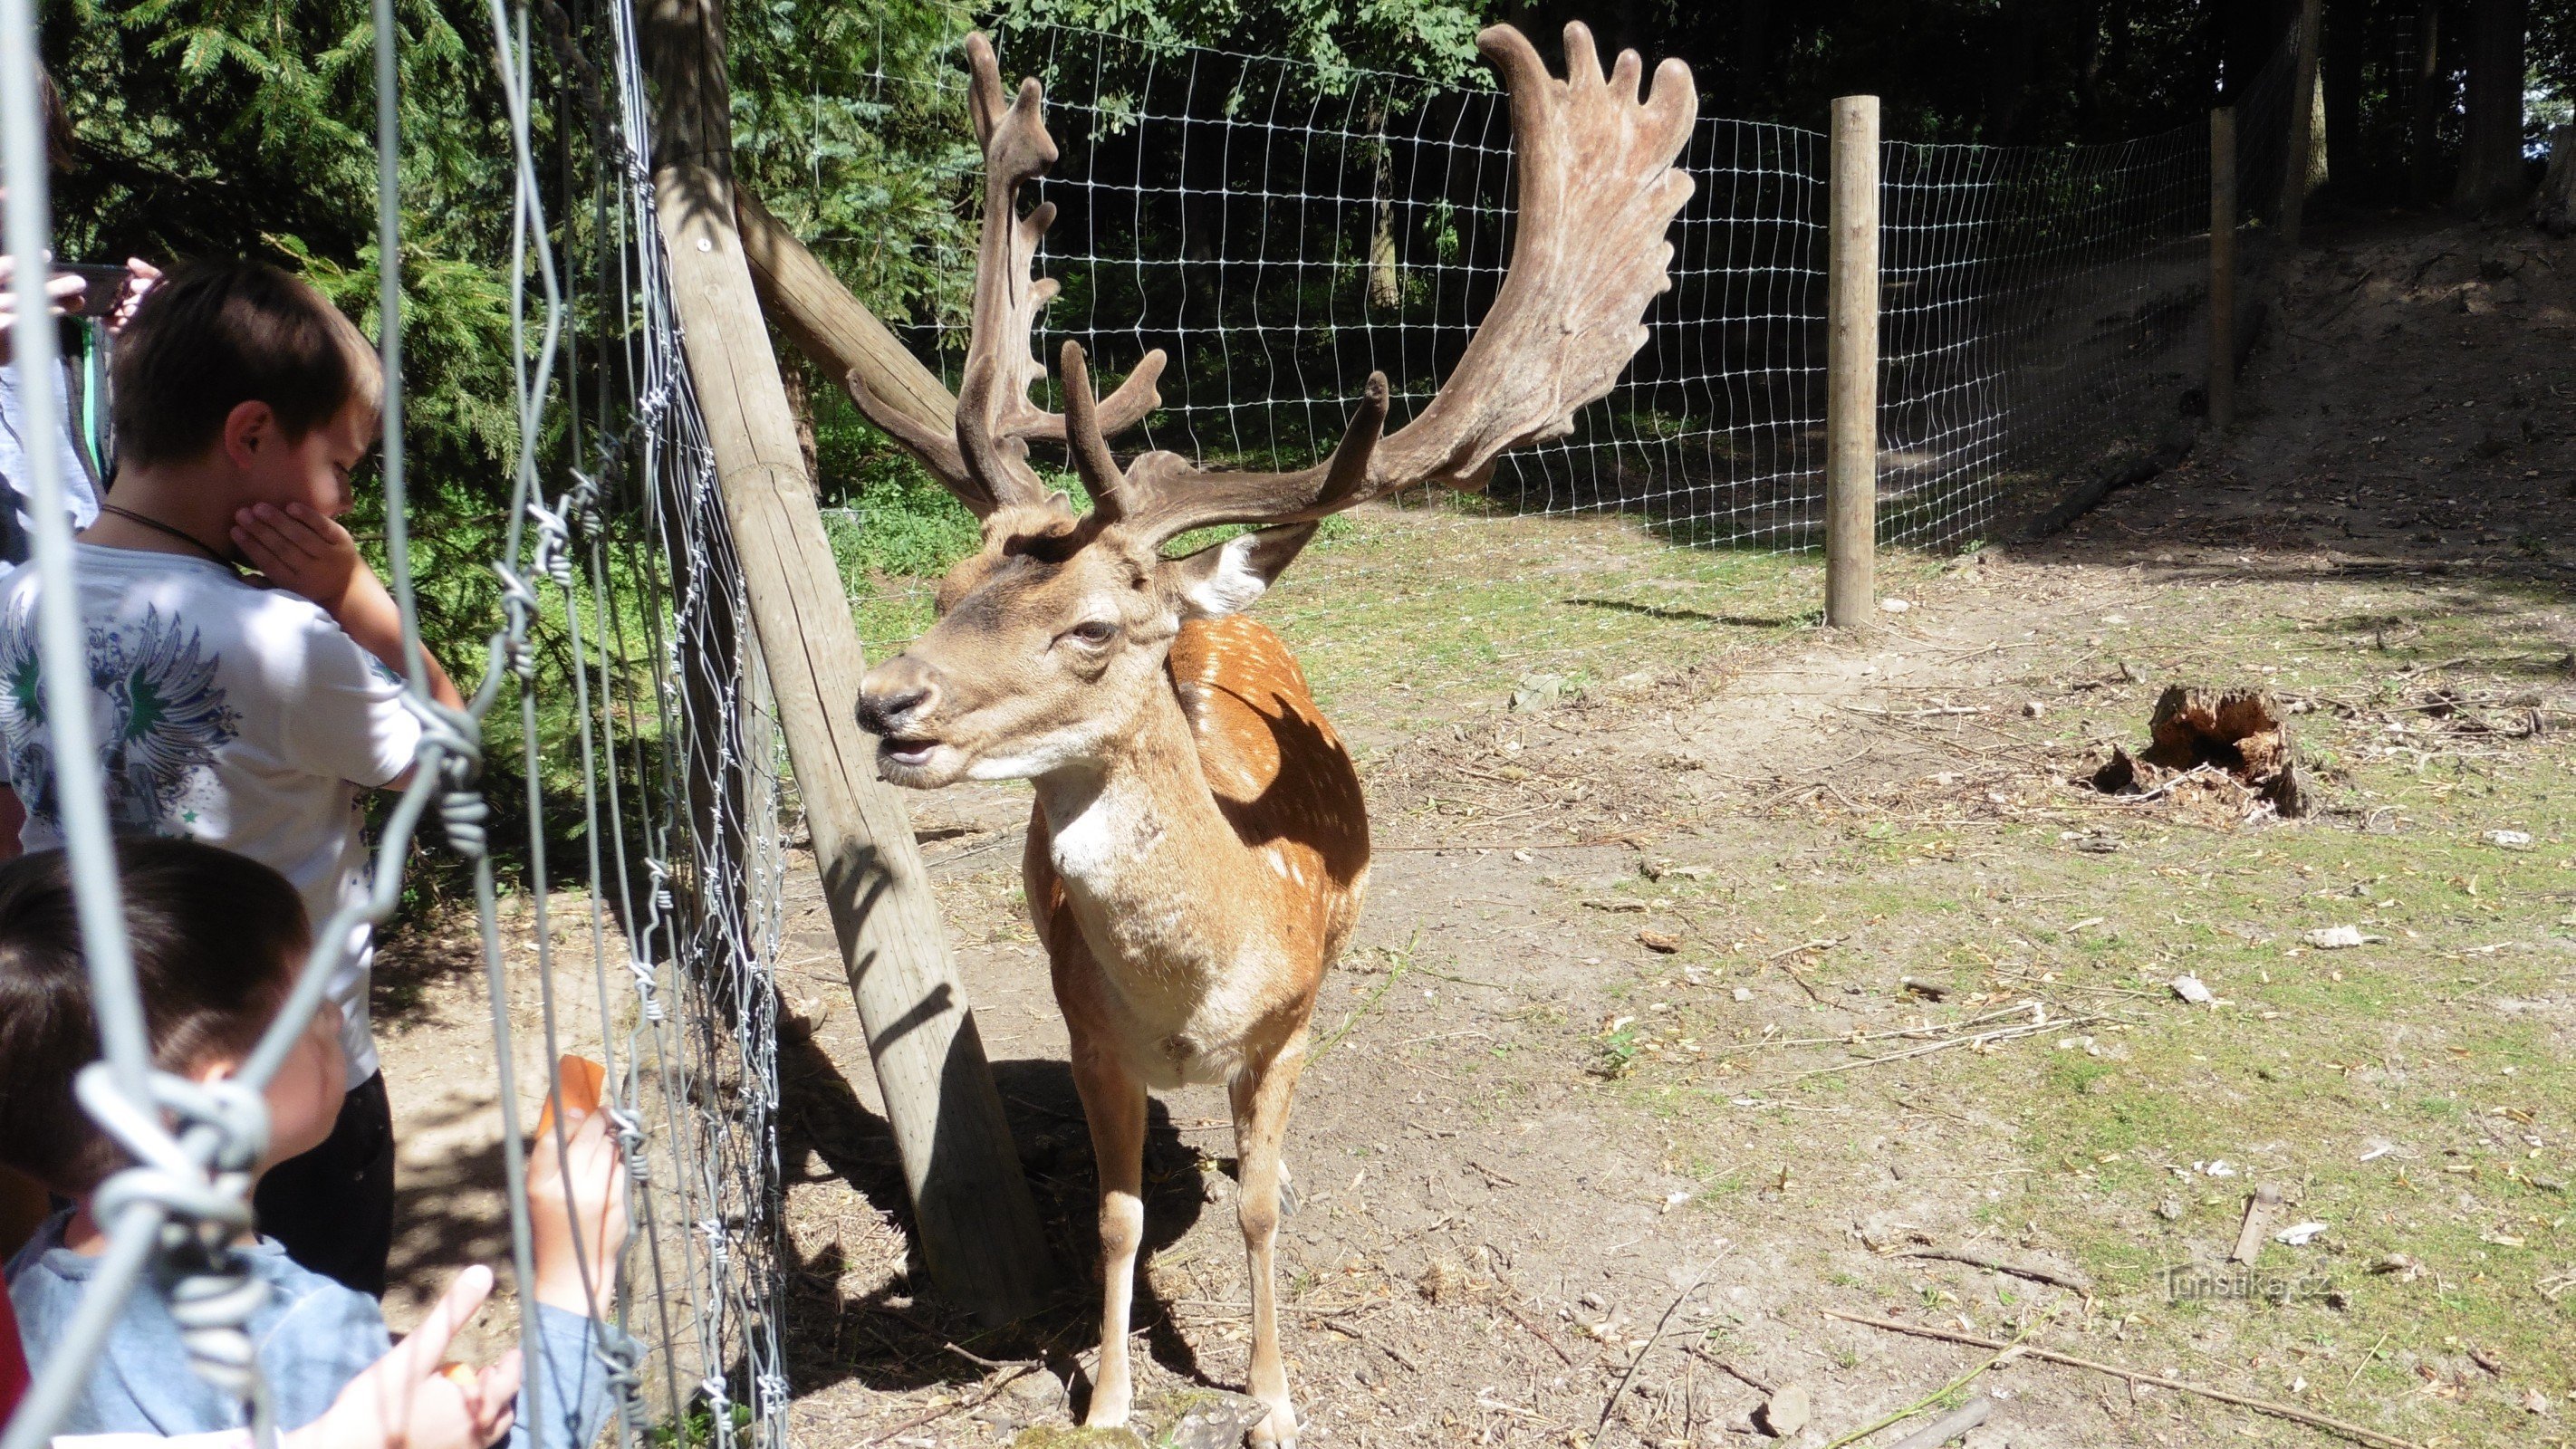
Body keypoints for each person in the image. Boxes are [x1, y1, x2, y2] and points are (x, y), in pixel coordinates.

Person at [0, 259, 465, 1297]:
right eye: (342, 464)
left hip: (99, 1089)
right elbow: (450, 741)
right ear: (251, 436)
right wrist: (356, 589)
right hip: (288, 1101)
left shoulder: (20, 601)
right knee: (311, 1356)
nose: (344, 497)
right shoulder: (278, 639)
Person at [0, 840, 629, 1446]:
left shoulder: (24, 1292)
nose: (334, 1016)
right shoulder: (300, 1328)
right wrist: (578, 1271)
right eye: (310, 1001)